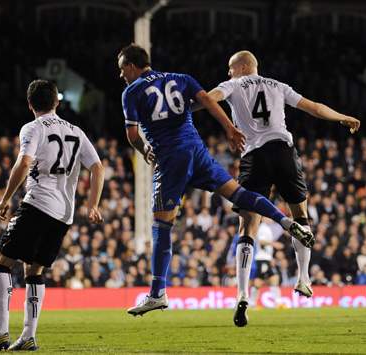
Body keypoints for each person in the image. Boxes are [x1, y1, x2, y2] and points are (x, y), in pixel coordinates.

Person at [117, 44, 315, 317]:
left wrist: (145, 151)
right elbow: (209, 101)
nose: (120, 76)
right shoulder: (181, 78)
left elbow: (132, 134)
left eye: (121, 70)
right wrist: (230, 128)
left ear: (130, 66)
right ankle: (286, 221)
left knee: (162, 223)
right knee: (237, 192)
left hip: (170, 158)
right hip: (197, 151)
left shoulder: (131, 91)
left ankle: (157, 293)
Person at [195, 50, 360, 327]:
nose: (228, 73)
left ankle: (242, 295)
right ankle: (304, 279)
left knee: (247, 226)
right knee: (301, 216)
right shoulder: (278, 85)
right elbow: (315, 107)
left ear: (243, 67)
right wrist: (342, 117)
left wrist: (183, 111)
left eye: (230, 68)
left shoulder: (233, 85)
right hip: (283, 151)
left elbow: (208, 99)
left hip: (254, 157)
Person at [0, 80, 104, 352]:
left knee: (1, 262)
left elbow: (24, 162)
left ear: (30, 104)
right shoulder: (76, 131)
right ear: (57, 102)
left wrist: (6, 198)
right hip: (63, 214)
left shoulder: (32, 128)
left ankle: (0, 332)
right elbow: (98, 167)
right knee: (34, 270)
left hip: (38, 204)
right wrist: (92, 204)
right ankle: (29, 336)